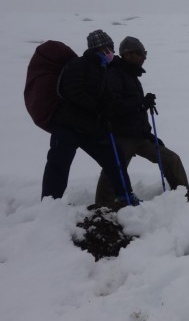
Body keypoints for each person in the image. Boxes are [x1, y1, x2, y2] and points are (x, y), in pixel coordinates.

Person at [41, 30, 138, 205]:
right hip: (67, 126)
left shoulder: (102, 69)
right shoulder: (78, 65)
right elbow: (73, 93)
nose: (112, 52)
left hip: (90, 127)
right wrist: (98, 107)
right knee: (58, 165)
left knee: (114, 157)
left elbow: (106, 96)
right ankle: (49, 205)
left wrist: (109, 106)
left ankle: (125, 196)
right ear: (100, 49)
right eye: (109, 48)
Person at [95, 36, 189, 206]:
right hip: (121, 136)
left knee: (171, 159)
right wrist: (141, 103)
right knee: (115, 169)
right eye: (140, 53)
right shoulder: (114, 74)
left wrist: (148, 134)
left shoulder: (131, 75)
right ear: (127, 54)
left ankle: (185, 199)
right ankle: (103, 207)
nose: (144, 57)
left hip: (139, 136)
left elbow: (136, 111)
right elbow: (114, 106)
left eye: (144, 52)